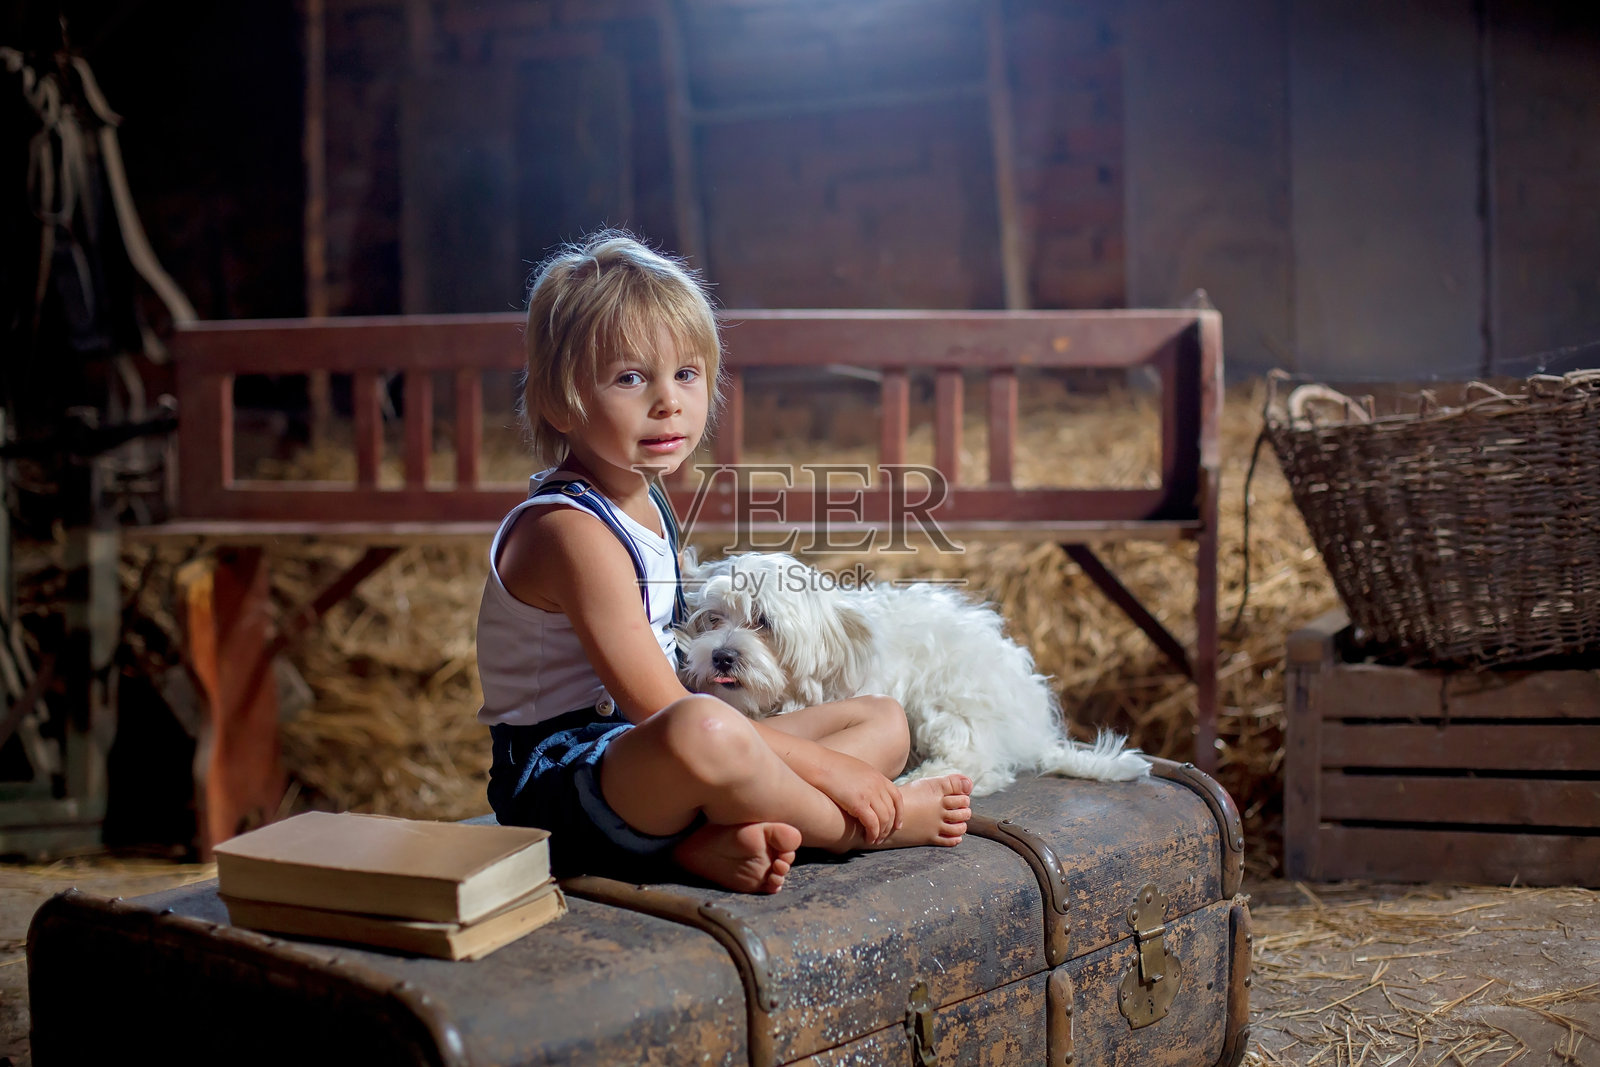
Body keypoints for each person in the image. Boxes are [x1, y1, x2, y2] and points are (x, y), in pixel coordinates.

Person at [476, 231, 972, 894]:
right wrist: (836, 774)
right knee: (706, 726)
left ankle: (698, 843)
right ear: (560, 401)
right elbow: (660, 708)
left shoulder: (645, 501)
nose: (667, 401)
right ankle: (859, 827)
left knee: (879, 717)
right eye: (630, 377)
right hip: (562, 790)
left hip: (649, 762)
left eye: (686, 373)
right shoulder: (570, 531)